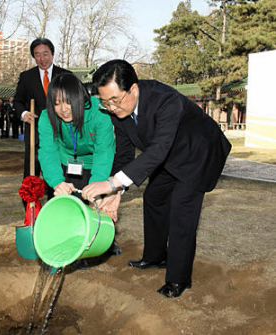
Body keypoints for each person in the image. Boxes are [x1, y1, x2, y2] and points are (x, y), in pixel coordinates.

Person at [82, 60, 232, 298]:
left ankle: (178, 280)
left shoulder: (165, 100)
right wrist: (116, 192)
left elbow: (159, 148)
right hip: (169, 156)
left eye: (114, 100)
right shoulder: (117, 110)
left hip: (197, 153)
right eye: (105, 102)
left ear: (133, 89)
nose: (110, 107)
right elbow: (124, 152)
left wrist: (111, 183)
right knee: (154, 197)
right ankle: (155, 257)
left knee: (182, 211)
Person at [38, 73, 115, 197]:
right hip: (64, 165)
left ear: (79, 98)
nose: (63, 109)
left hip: (94, 165)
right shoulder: (47, 117)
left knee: (95, 209)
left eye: (68, 102)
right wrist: (57, 182)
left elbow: (103, 152)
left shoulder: (100, 113)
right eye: (57, 103)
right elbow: (48, 152)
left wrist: (97, 185)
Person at [14, 38, 71, 197]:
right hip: (35, 132)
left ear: (52, 54)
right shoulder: (26, 77)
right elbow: (18, 101)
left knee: (58, 169)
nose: (42, 58)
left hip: (61, 131)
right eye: (37, 55)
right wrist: (24, 114)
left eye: (45, 54)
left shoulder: (66, 75)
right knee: (32, 169)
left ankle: (57, 202)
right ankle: (30, 209)